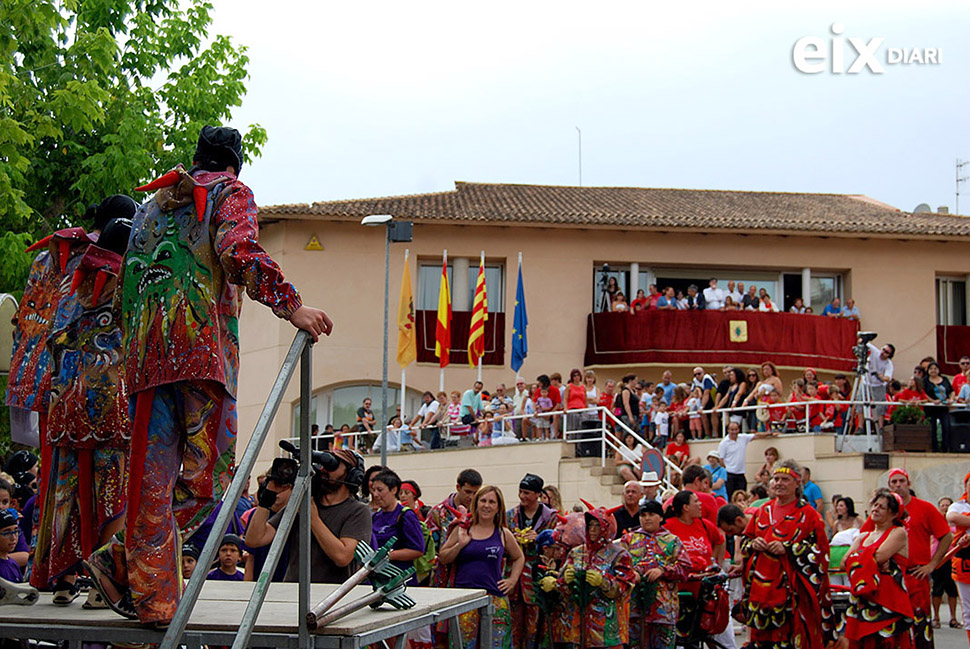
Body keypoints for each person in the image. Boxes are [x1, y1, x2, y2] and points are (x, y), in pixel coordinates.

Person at [82, 127, 333, 626]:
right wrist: (293, 307)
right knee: (210, 479)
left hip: (147, 360)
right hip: (200, 355)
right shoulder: (229, 192)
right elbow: (238, 251)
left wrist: (137, 348)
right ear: (235, 164)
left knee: (151, 481)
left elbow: (125, 285)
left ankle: (134, 577)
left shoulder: (150, 206)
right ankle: (134, 574)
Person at [31, 213, 134, 606]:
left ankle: (61, 579)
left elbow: (51, 342)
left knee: (66, 493)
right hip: (110, 407)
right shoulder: (128, 281)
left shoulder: (71, 280)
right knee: (112, 496)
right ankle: (98, 585)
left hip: (66, 405)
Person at [737, 459, 837, 649]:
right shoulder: (762, 511)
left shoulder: (809, 514)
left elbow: (822, 553)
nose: (778, 483)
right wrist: (753, 544)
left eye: (785, 479)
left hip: (793, 595)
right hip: (761, 592)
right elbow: (744, 542)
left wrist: (790, 549)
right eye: (775, 479)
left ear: (797, 483)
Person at [244, 447, 371, 584]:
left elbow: (342, 557)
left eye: (332, 465)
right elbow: (254, 539)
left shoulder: (358, 511)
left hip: (332, 597)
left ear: (352, 474)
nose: (324, 470)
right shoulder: (305, 503)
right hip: (293, 591)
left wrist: (313, 518)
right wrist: (267, 499)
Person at [439, 485, 524, 649]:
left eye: (492, 502)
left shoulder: (503, 533)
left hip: (495, 599)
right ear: (476, 504)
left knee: (497, 646)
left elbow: (519, 557)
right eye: (483, 501)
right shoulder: (462, 529)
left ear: (499, 507)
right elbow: (443, 557)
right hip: (464, 599)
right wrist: (460, 545)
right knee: (462, 646)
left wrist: (512, 580)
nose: (487, 505)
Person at [882, 467, 952, 648]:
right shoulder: (885, 511)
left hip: (916, 577)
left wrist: (932, 564)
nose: (898, 485)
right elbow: (867, 536)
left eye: (901, 481)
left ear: (908, 483)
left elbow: (946, 536)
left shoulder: (925, 508)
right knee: (892, 629)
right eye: (894, 482)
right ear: (889, 486)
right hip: (890, 579)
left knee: (920, 628)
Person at [554, 505, 635, 649]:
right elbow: (562, 589)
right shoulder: (576, 552)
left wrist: (603, 582)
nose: (592, 529)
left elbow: (624, 587)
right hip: (579, 626)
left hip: (607, 628)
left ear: (607, 527)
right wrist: (565, 580)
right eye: (590, 525)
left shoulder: (620, 554)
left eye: (597, 525)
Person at [842, 489, 913, 648]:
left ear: (894, 514)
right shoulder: (863, 536)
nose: (875, 509)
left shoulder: (898, 532)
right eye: (875, 505)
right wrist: (870, 558)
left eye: (881, 507)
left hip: (889, 599)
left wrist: (861, 557)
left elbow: (878, 557)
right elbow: (844, 562)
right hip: (863, 598)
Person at [619, 500, 690, 649]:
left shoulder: (672, 541)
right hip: (634, 609)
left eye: (651, 514)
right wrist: (632, 574)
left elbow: (685, 568)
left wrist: (663, 570)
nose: (646, 518)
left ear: (660, 517)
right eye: (643, 515)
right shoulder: (628, 539)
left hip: (664, 610)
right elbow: (619, 567)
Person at [506, 473, 557, 649]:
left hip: (538, 579)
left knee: (536, 628)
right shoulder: (510, 515)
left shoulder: (551, 517)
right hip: (513, 579)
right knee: (513, 625)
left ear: (537, 494)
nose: (522, 496)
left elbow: (557, 547)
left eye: (526, 492)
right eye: (520, 492)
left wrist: (540, 538)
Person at [427, 469, 483, 560]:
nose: (471, 497)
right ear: (458, 487)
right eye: (467, 492)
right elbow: (429, 547)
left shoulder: (479, 513)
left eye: (475, 493)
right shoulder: (437, 512)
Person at [931, 497, 960, 629]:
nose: (945, 508)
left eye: (947, 505)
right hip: (938, 560)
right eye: (942, 505)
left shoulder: (956, 523)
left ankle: (953, 618)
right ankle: (936, 617)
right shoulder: (935, 522)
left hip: (952, 559)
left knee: (952, 590)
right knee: (937, 589)